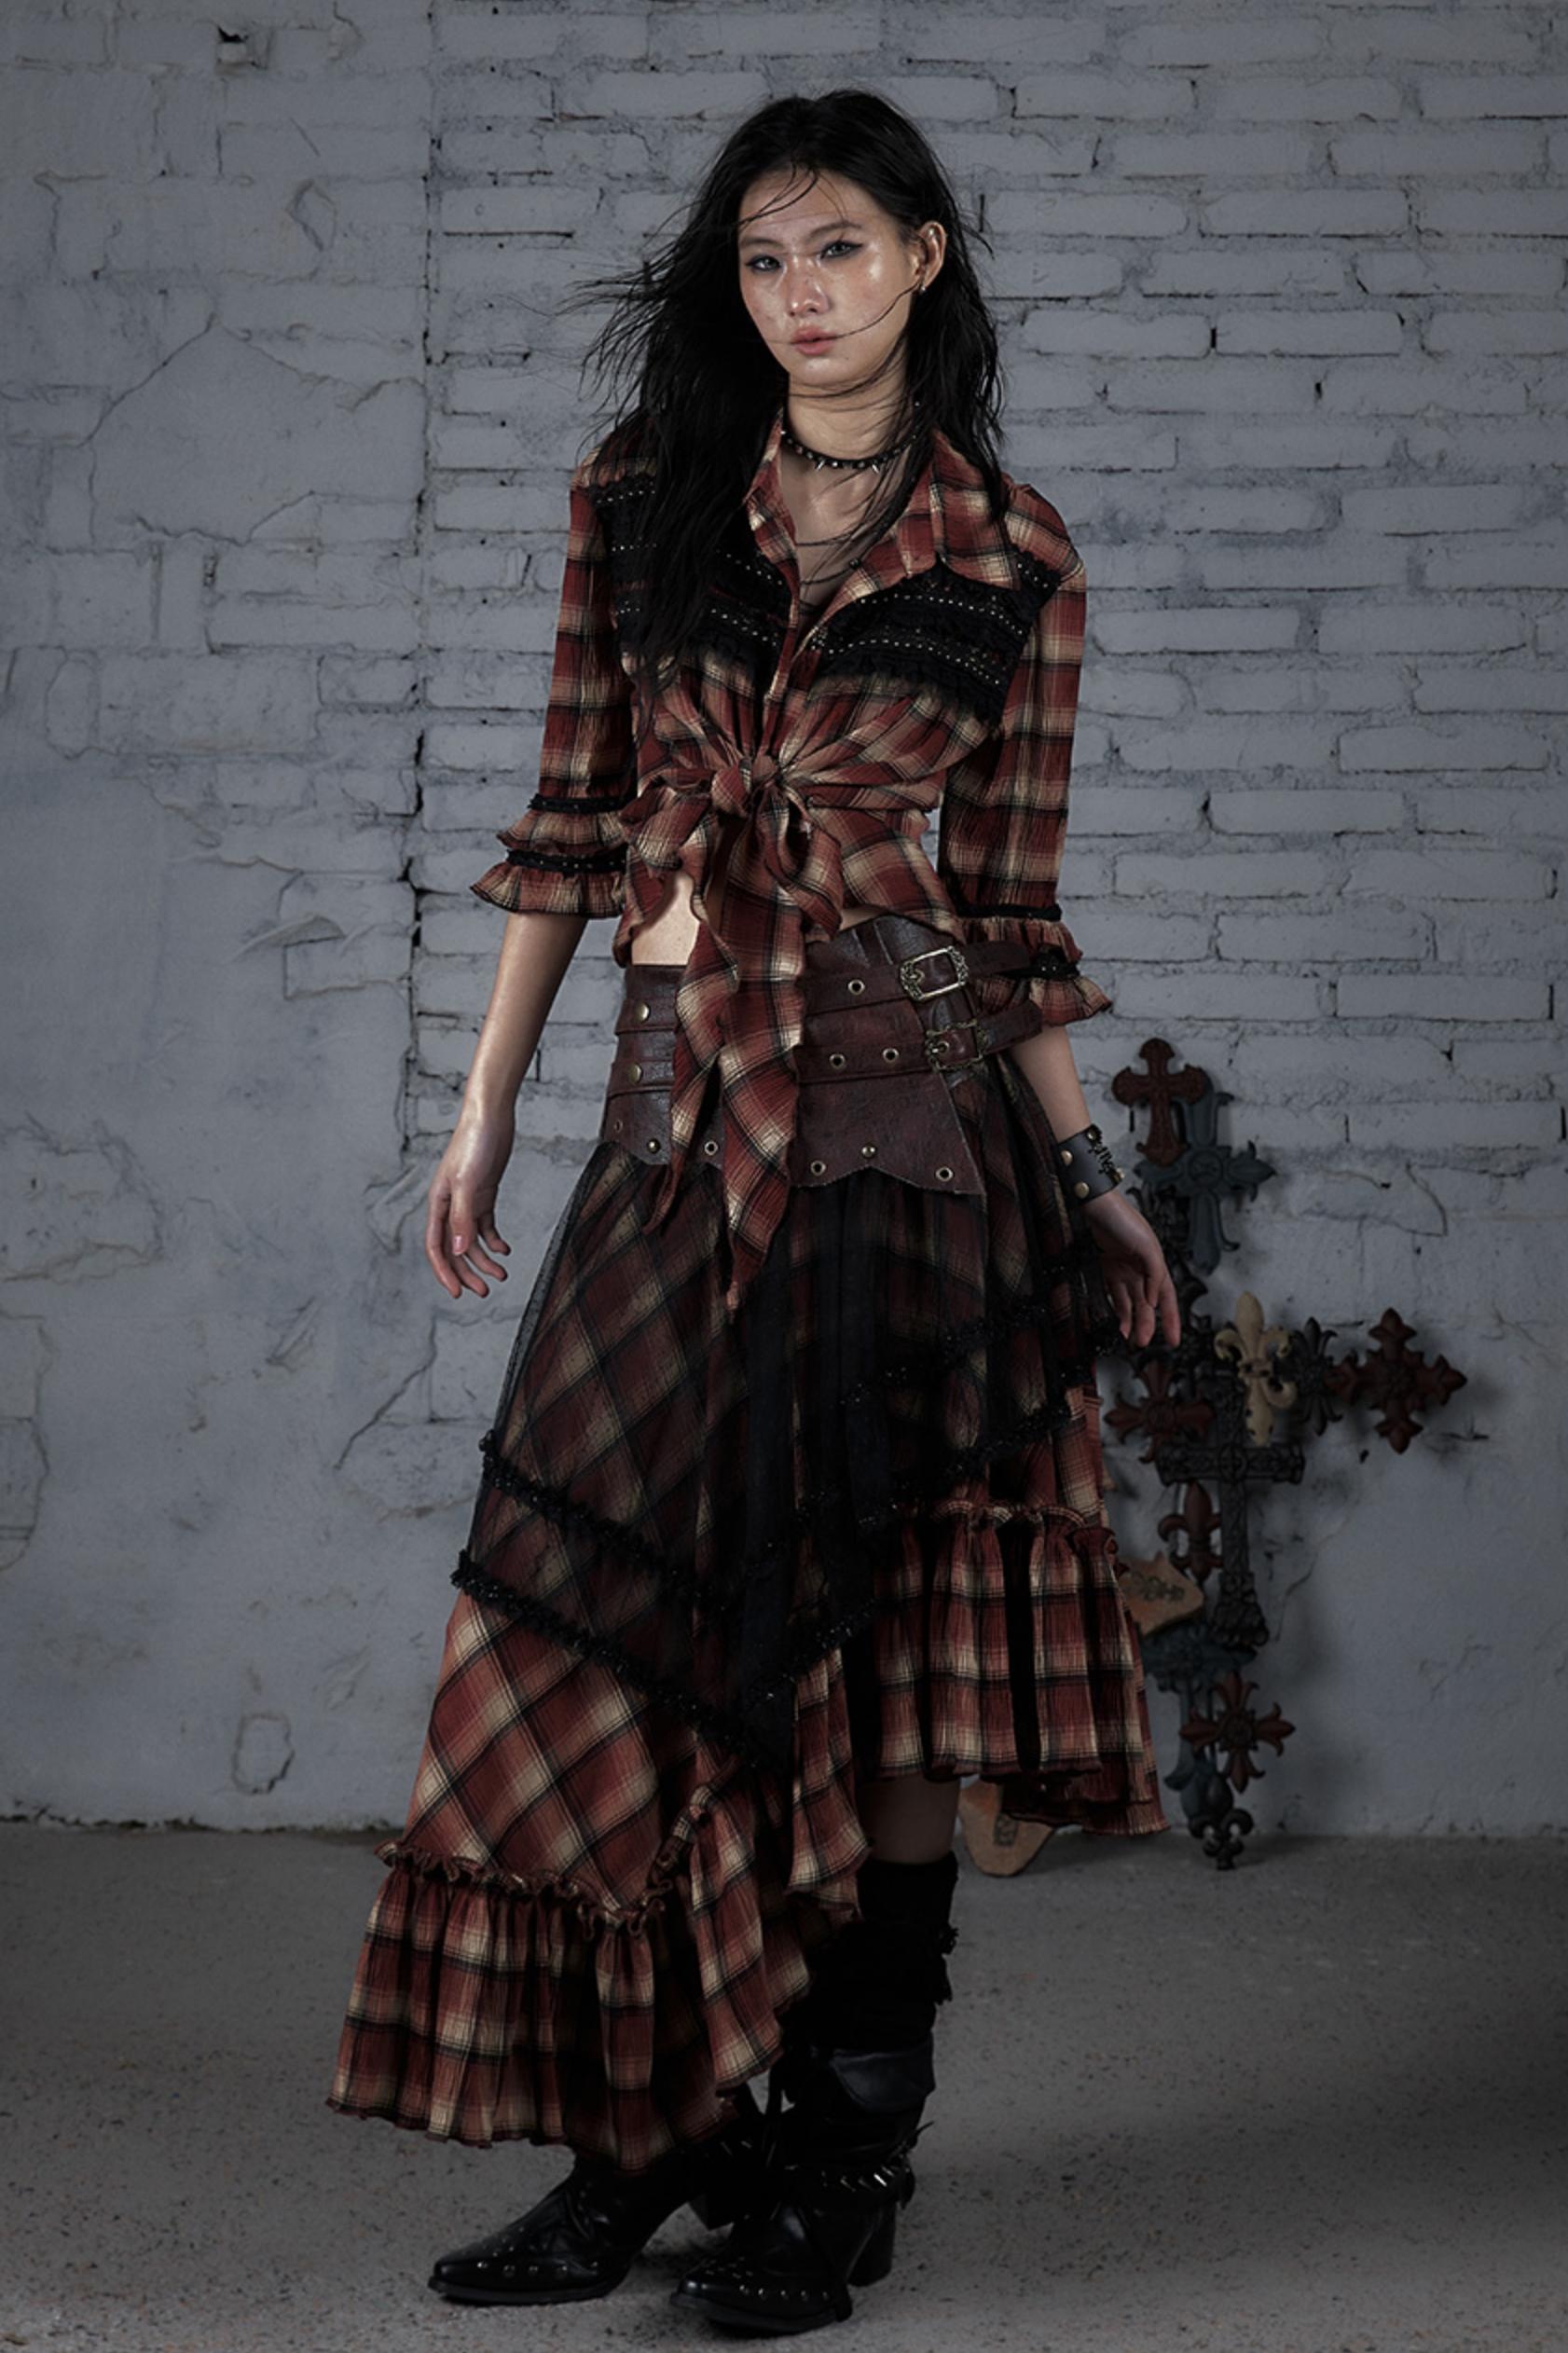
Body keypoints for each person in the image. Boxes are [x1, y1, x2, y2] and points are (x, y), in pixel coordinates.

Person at [326, 87, 1181, 2335]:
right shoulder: (644, 502)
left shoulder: (1010, 552)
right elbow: (569, 819)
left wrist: (1090, 1174)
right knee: (601, 1629)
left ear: (922, 259)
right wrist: (480, 1109)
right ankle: (651, 2136)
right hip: (672, 1130)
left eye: (839, 250)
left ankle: (840, 2166)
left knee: (873, 1664)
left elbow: (1002, 916)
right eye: (763, 259)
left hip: (910, 1144)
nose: (800, 295)